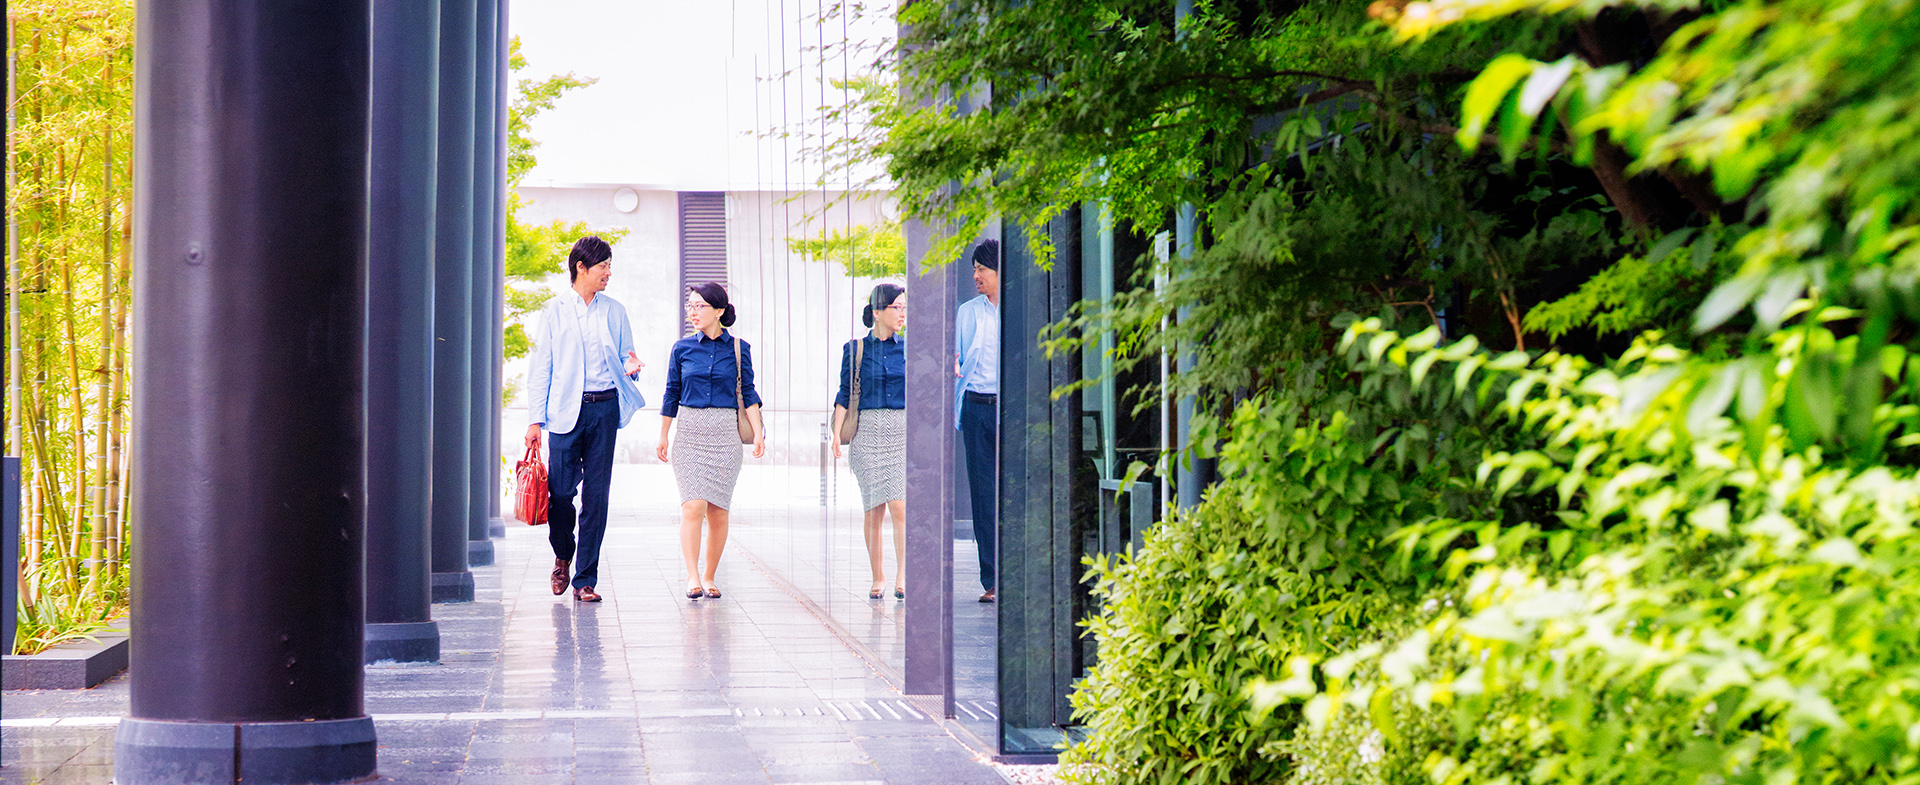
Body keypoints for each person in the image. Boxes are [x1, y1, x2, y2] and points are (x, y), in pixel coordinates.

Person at [524, 236, 646, 603]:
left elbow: (627, 356)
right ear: (581, 268)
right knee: (560, 494)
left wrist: (632, 366)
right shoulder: (554, 311)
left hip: (604, 408)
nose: (608, 273)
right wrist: (535, 420)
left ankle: (585, 578)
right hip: (564, 411)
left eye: (610, 266)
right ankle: (563, 554)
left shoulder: (615, 310)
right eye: (603, 266)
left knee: (596, 497)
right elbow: (541, 368)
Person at [658, 282, 766, 600]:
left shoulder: (739, 348)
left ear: (719, 311)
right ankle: (692, 577)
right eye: (690, 306)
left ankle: (709, 575)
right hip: (690, 432)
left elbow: (748, 392)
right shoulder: (681, 348)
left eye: (700, 306)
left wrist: (758, 432)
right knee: (693, 506)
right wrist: (663, 434)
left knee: (718, 511)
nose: (693, 312)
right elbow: (671, 392)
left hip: (724, 432)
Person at [833, 284, 908, 601]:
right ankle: (878, 577)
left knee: (900, 507)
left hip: (901, 430)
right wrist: (836, 435)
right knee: (874, 509)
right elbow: (844, 393)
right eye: (896, 307)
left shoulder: (910, 348)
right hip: (867, 430)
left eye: (905, 308)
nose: (902, 314)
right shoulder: (856, 349)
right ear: (878, 312)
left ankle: (903, 576)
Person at [954, 239, 999, 603]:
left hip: (1010, 409)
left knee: (1013, 492)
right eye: (974, 269)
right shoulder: (968, 312)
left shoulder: (1015, 310)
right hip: (976, 407)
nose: (976, 275)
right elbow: (956, 358)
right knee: (983, 495)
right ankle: (992, 580)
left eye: (982, 269)